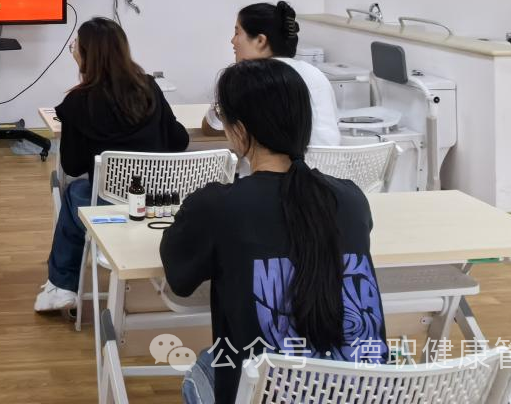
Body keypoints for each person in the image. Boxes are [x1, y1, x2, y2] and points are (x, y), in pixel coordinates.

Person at [162, 59, 386, 404]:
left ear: (240, 130)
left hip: (268, 391)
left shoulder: (218, 206)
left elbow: (179, 280)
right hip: (363, 393)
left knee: (203, 368)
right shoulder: (351, 198)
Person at [35, 17, 189, 313]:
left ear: (85, 55)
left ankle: (62, 284)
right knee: (79, 193)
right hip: (159, 200)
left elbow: (73, 165)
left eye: (75, 47)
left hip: (109, 203)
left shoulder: (77, 103)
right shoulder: (149, 88)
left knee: (74, 192)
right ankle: (63, 282)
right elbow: (178, 140)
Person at [201, 1, 340, 147]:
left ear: (260, 40)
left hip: (284, 162)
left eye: (237, 33)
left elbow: (211, 128)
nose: (232, 40)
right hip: (331, 161)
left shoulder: (246, 77)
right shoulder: (315, 72)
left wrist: (221, 104)